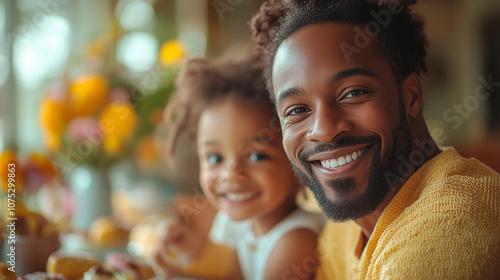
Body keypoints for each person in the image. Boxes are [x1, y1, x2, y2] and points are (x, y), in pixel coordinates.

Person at [250, 0, 500, 279]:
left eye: (353, 93)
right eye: (297, 110)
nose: (323, 130)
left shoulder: (444, 238)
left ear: (411, 96)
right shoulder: (358, 198)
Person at [154, 47, 324, 280]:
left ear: (296, 160)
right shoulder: (238, 222)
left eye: (256, 156)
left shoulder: (296, 241)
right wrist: (193, 254)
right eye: (215, 158)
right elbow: (238, 272)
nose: (230, 174)